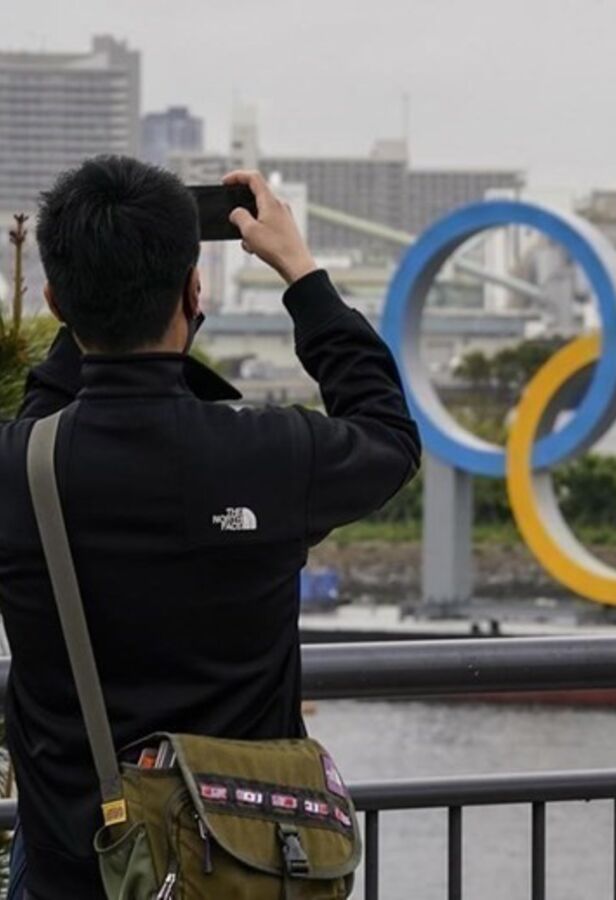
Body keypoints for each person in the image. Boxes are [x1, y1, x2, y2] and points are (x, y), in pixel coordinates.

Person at [0, 156, 422, 898]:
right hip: (243, 869)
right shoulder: (271, 453)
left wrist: (100, 297)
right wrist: (301, 275)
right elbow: (388, 435)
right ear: (195, 292)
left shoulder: (20, 470)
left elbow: (45, 425)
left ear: (54, 303)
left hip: (73, 869)